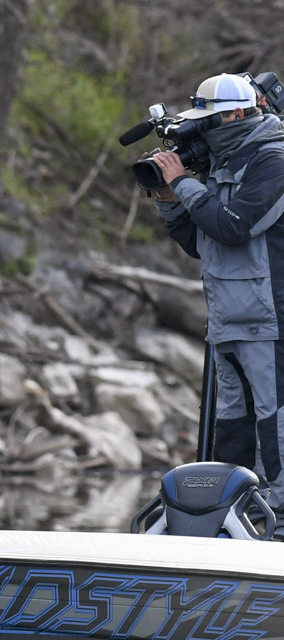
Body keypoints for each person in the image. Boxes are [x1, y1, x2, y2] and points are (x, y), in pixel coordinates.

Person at [151, 72, 284, 536]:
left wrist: (184, 182)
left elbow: (232, 225)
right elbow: (201, 242)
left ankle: (281, 528)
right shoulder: (221, 163)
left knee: (275, 429)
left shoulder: (274, 159)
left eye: (208, 121)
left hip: (270, 321)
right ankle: (228, 523)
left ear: (235, 114)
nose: (202, 131)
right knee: (232, 430)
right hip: (228, 321)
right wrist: (169, 198)